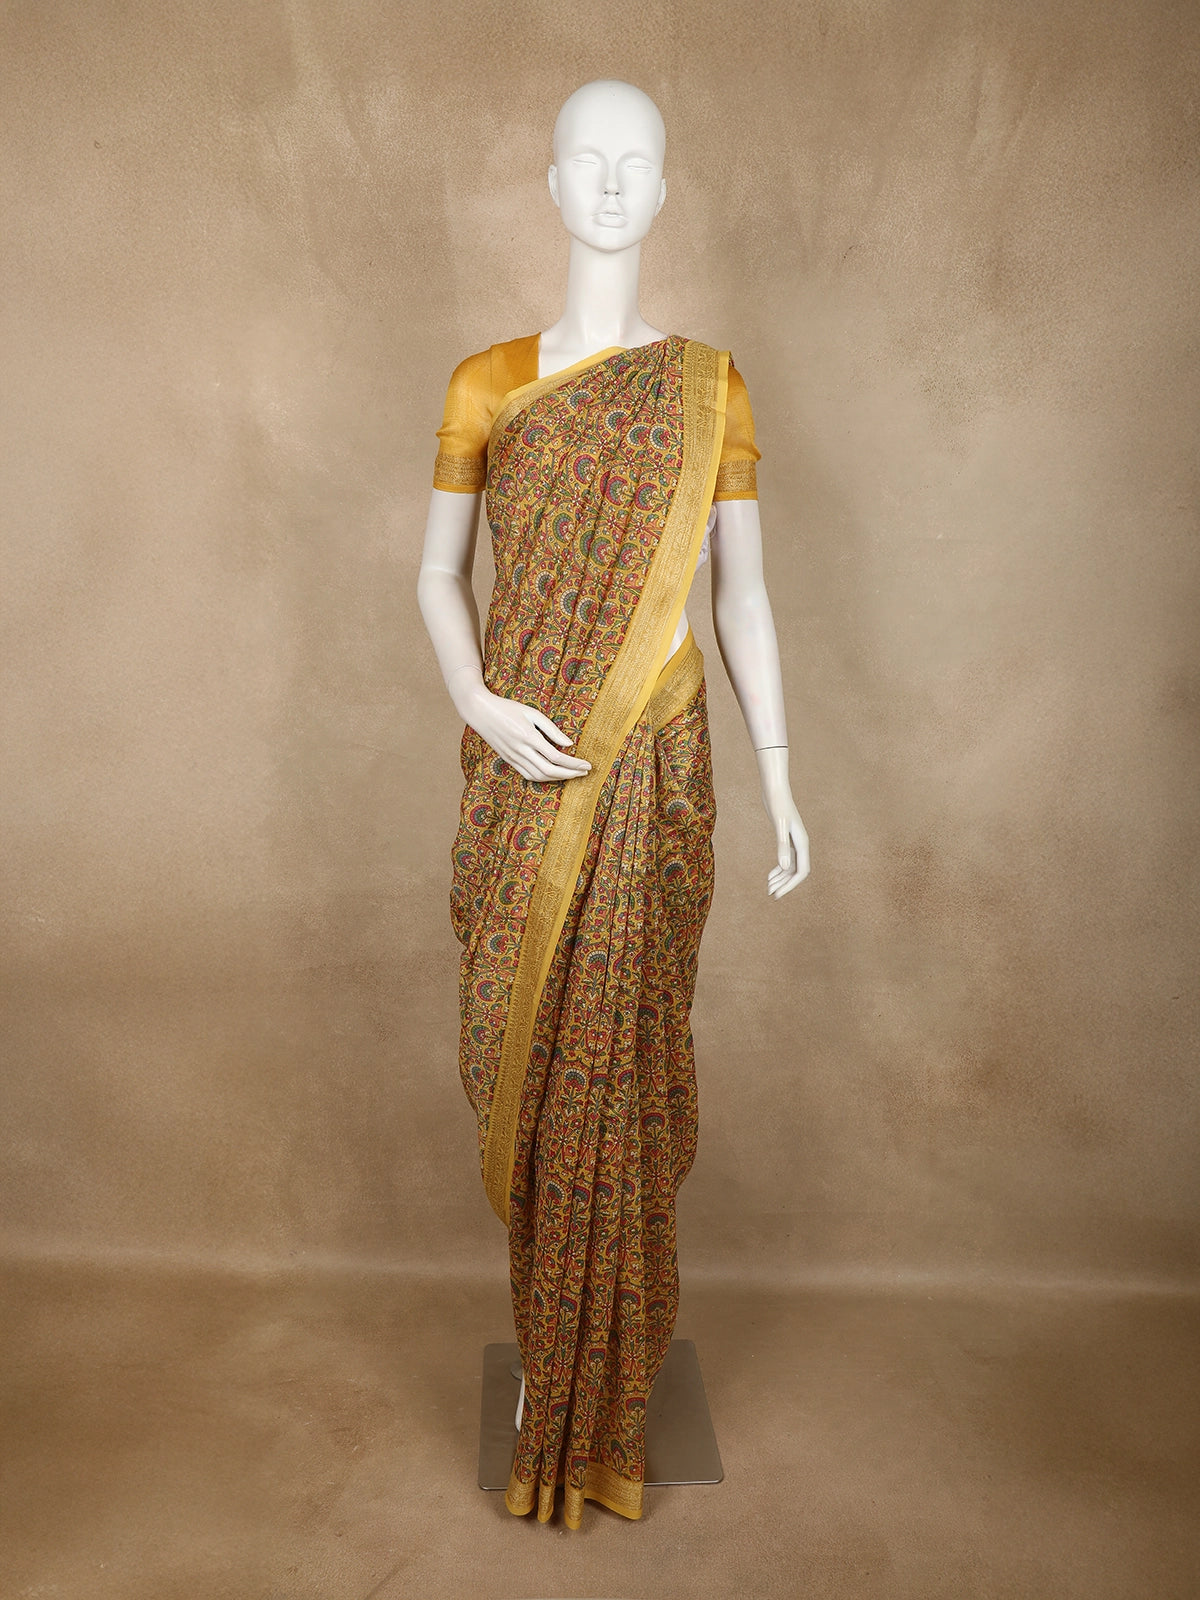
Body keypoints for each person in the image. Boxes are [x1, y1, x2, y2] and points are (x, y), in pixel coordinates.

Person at [416, 78, 809, 1529]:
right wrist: (476, 701)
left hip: (656, 767)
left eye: (635, 161)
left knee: (624, 1060)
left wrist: (780, 774)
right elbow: (435, 574)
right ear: (548, 181)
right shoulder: (487, 382)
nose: (608, 183)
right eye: (585, 158)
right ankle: (550, 1351)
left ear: (664, 187)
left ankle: (609, 1369)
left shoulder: (710, 389)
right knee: (528, 1062)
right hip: (526, 766)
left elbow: (743, 598)